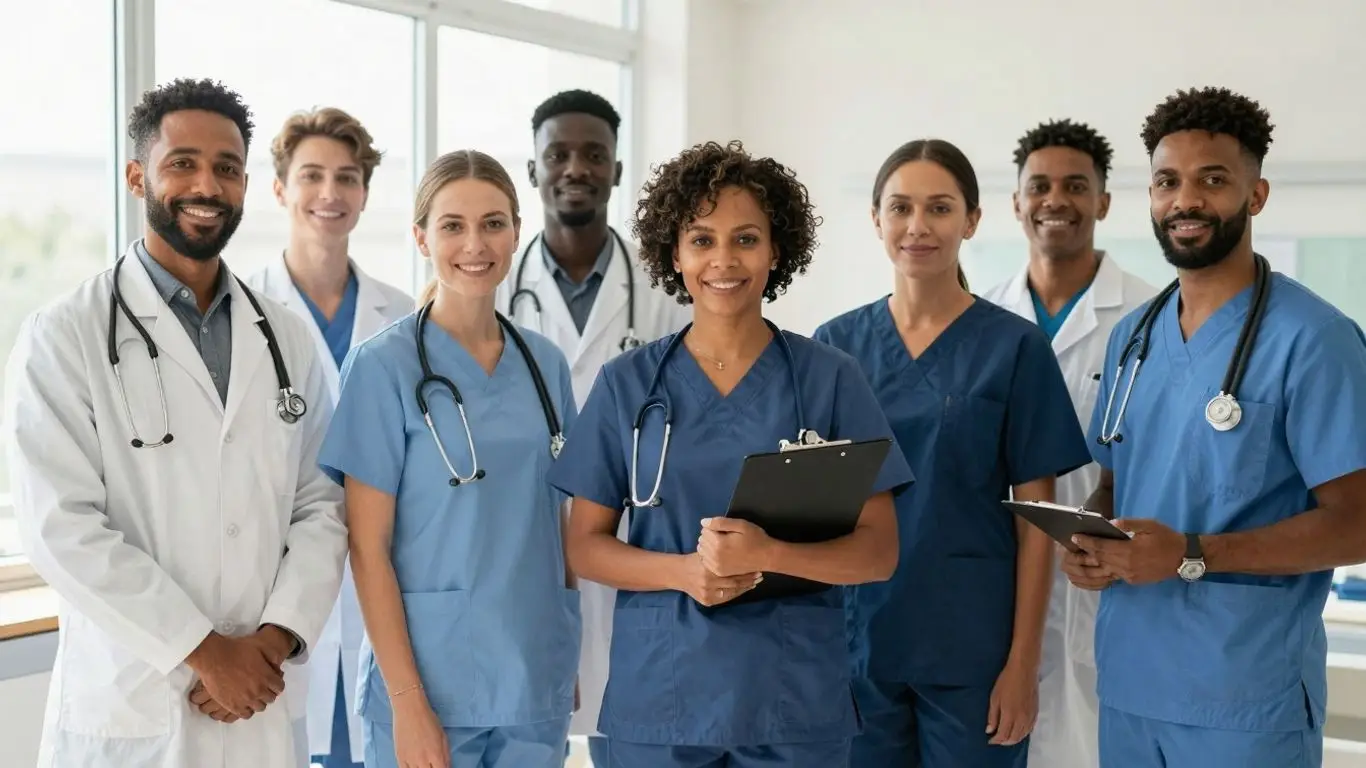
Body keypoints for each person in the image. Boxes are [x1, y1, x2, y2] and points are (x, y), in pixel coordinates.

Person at [2, 78, 347, 768]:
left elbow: (322, 504)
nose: (207, 185)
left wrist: (271, 640)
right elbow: (60, 525)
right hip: (135, 702)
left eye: (226, 168)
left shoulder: (283, 337)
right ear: (137, 176)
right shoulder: (64, 334)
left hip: (258, 696)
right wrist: (206, 652)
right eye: (181, 163)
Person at [547, 139, 914, 768]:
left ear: (777, 250)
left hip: (792, 702)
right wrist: (685, 571)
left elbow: (879, 552)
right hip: (662, 699)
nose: (724, 260)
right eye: (702, 239)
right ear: (674, 252)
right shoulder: (628, 384)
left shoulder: (829, 379)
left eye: (746, 239)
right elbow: (584, 546)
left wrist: (769, 554)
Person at [1063, 86, 1366, 768]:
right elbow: (1119, 477)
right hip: (1131, 686)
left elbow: (1358, 522)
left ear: (1255, 195)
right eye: (1167, 182)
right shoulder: (1133, 339)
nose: (1186, 200)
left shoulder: (1314, 340)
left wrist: (1191, 552)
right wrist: (1089, 535)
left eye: (1213, 180)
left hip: (1244, 698)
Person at [812, 138, 1093, 768]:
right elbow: (812, 514)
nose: (918, 227)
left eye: (939, 208)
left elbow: (1038, 520)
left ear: (971, 220)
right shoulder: (834, 349)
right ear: (876, 219)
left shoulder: (1013, 348)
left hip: (973, 653)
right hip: (857, 647)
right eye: (901, 208)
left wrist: (1022, 663)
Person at [317, 148, 581, 768]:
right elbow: (367, 548)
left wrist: (562, 652)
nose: (475, 243)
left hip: (533, 678)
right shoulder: (383, 367)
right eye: (453, 225)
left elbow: (557, 522)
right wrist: (408, 704)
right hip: (429, 688)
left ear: (517, 230)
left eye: (493, 222)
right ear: (420, 237)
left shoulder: (545, 365)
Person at [497, 88, 688, 767]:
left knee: (638, 741)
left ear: (616, 169)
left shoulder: (667, 293)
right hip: (525, 551)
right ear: (533, 171)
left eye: (593, 155)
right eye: (558, 153)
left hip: (637, 545)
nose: (575, 167)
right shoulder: (493, 290)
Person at [981, 119, 1159, 768]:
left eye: (1076, 186)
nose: (1056, 199)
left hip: (1111, 588)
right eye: (1040, 186)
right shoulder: (980, 318)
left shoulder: (1150, 318)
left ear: (1104, 203)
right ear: (1016, 203)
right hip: (1001, 588)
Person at [244, 106, 414, 768]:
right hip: (276, 585)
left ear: (365, 194)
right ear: (281, 188)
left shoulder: (402, 314)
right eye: (311, 175)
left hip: (381, 579)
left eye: (347, 177)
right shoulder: (242, 308)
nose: (330, 194)